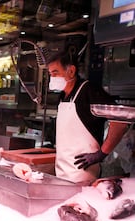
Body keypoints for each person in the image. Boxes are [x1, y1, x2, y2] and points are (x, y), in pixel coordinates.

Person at [47, 51, 128, 183]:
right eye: (50, 74)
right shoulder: (62, 97)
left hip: (83, 173)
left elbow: (120, 123)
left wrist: (101, 154)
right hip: (61, 170)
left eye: (55, 73)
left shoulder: (89, 91)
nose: (52, 78)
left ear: (71, 71)